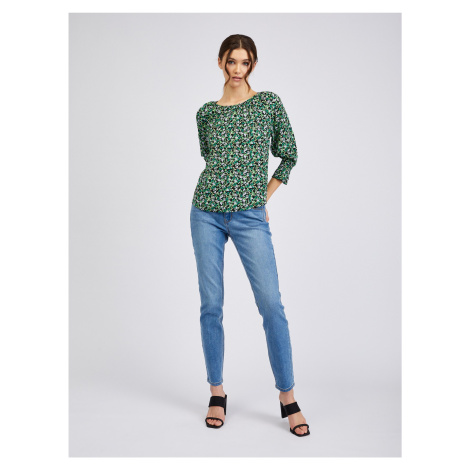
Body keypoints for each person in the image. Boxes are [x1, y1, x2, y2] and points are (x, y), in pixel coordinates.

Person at [190, 34, 310, 437]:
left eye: (245, 62)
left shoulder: (268, 104)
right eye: (232, 61)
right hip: (205, 212)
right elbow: (212, 159)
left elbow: (289, 153)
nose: (237, 69)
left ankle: (288, 396)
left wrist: (261, 197)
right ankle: (217, 392)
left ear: (253, 65)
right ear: (220, 63)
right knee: (211, 305)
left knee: (271, 304)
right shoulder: (206, 113)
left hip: (249, 217)